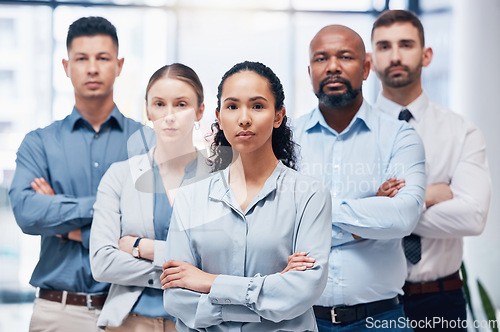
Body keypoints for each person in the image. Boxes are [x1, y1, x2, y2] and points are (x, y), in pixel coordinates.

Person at [159, 61, 332, 331]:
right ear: (219, 116)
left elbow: (301, 292)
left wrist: (207, 281)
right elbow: (177, 297)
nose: (244, 118)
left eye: (258, 106)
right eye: (232, 106)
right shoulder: (190, 197)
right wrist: (269, 291)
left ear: (278, 116)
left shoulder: (310, 195)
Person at [8, 16, 146, 332]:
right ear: (66, 65)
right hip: (58, 312)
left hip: (132, 312)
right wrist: (113, 209)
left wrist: (63, 222)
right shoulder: (39, 143)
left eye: (103, 58)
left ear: (119, 64)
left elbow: (155, 229)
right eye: (82, 58)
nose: (92, 68)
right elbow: (29, 214)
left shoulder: (146, 143)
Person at [293, 24, 426, 331]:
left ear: (366, 68)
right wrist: (369, 215)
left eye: (345, 57)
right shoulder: (286, 140)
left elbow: (403, 216)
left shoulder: (400, 136)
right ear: (310, 70)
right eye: (321, 59)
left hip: (381, 320)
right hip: (300, 320)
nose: (333, 67)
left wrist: (311, 213)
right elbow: (277, 228)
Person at [370, 10, 492, 330]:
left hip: (441, 299)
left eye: (406, 44)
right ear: (370, 60)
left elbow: (473, 216)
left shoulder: (461, 131)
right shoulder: (353, 132)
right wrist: (430, 195)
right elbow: (346, 216)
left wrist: (387, 208)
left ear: (426, 55)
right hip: (371, 301)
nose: (395, 56)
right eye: (384, 46)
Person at [89, 63, 209, 331]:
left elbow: (223, 262)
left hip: (199, 323)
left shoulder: (220, 178)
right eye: (159, 104)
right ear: (147, 110)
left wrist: (143, 248)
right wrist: (188, 274)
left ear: (200, 110)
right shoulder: (120, 176)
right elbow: (102, 263)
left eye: (181, 104)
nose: (169, 116)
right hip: (131, 323)